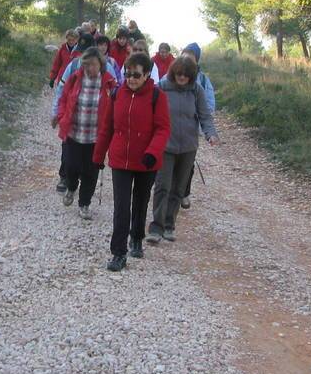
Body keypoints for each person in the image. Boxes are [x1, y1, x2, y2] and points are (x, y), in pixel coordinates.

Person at [93, 52, 171, 272]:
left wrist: (152, 152)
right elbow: (107, 127)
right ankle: (118, 253)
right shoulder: (117, 94)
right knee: (121, 207)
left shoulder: (158, 97)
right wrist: (98, 156)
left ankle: (136, 238)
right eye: (128, 74)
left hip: (146, 161)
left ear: (147, 74)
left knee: (140, 202)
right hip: (120, 160)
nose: (131, 79)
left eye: (136, 74)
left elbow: (163, 128)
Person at [146, 55, 218, 244]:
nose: (182, 78)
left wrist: (210, 134)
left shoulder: (196, 90)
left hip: (188, 147)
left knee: (178, 188)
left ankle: (169, 225)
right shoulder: (161, 88)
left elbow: (205, 116)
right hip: (166, 146)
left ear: (191, 76)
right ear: (173, 72)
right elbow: (150, 114)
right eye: (179, 74)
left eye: (186, 75)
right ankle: (156, 226)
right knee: (163, 185)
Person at [52, 47, 117, 220]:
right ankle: (72, 187)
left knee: (91, 171)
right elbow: (63, 98)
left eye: (93, 64)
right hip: (74, 133)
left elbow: (116, 108)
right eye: (86, 64)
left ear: (100, 64)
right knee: (71, 166)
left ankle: (84, 204)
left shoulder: (110, 83)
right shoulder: (75, 78)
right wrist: (60, 116)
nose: (89, 68)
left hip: (96, 137)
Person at [54, 33, 95, 191]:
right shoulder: (74, 65)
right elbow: (61, 90)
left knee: (87, 158)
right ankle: (65, 178)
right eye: (81, 50)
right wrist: (57, 113)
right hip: (71, 118)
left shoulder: (106, 68)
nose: (83, 55)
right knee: (68, 152)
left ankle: (83, 189)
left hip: (92, 125)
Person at [178, 42, 216, 209]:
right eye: (184, 56)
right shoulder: (170, 76)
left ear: (196, 61)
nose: (186, 61)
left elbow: (209, 104)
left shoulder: (203, 81)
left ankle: (184, 193)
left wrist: (205, 127)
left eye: (191, 58)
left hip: (190, 131)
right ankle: (170, 195)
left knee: (188, 165)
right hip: (170, 129)